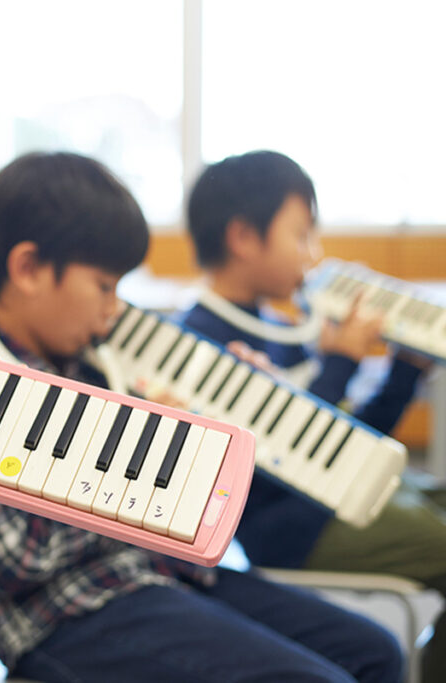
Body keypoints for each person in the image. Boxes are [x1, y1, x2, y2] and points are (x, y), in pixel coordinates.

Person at [0, 150, 404, 683]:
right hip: (67, 616)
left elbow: (199, 511)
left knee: (375, 652)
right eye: (104, 285)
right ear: (27, 269)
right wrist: (146, 448)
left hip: (163, 577)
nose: (114, 309)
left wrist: (233, 404)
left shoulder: (91, 359)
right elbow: (19, 564)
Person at [181, 148, 446, 681]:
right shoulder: (200, 343)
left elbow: (350, 446)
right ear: (243, 238)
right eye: (301, 234)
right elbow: (287, 464)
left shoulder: (282, 330)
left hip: (335, 499)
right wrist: (341, 361)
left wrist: (403, 371)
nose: (313, 252)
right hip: (291, 527)